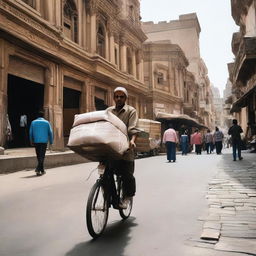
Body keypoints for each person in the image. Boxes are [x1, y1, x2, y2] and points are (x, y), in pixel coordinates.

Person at [106, 87, 140, 209]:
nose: (119, 99)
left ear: (126, 98)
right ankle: (112, 198)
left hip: (126, 148)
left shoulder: (131, 111)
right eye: (116, 96)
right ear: (113, 98)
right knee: (106, 174)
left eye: (121, 96)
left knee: (127, 175)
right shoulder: (108, 111)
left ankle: (127, 197)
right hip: (111, 147)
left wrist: (132, 141)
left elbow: (133, 129)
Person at [29, 111, 53, 175]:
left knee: (39, 156)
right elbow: (50, 132)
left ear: (37, 116)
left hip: (36, 141)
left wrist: (31, 141)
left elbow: (30, 133)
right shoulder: (47, 122)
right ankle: (38, 169)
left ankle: (41, 170)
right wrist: (51, 141)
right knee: (42, 156)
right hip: (44, 141)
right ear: (43, 116)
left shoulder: (33, 122)